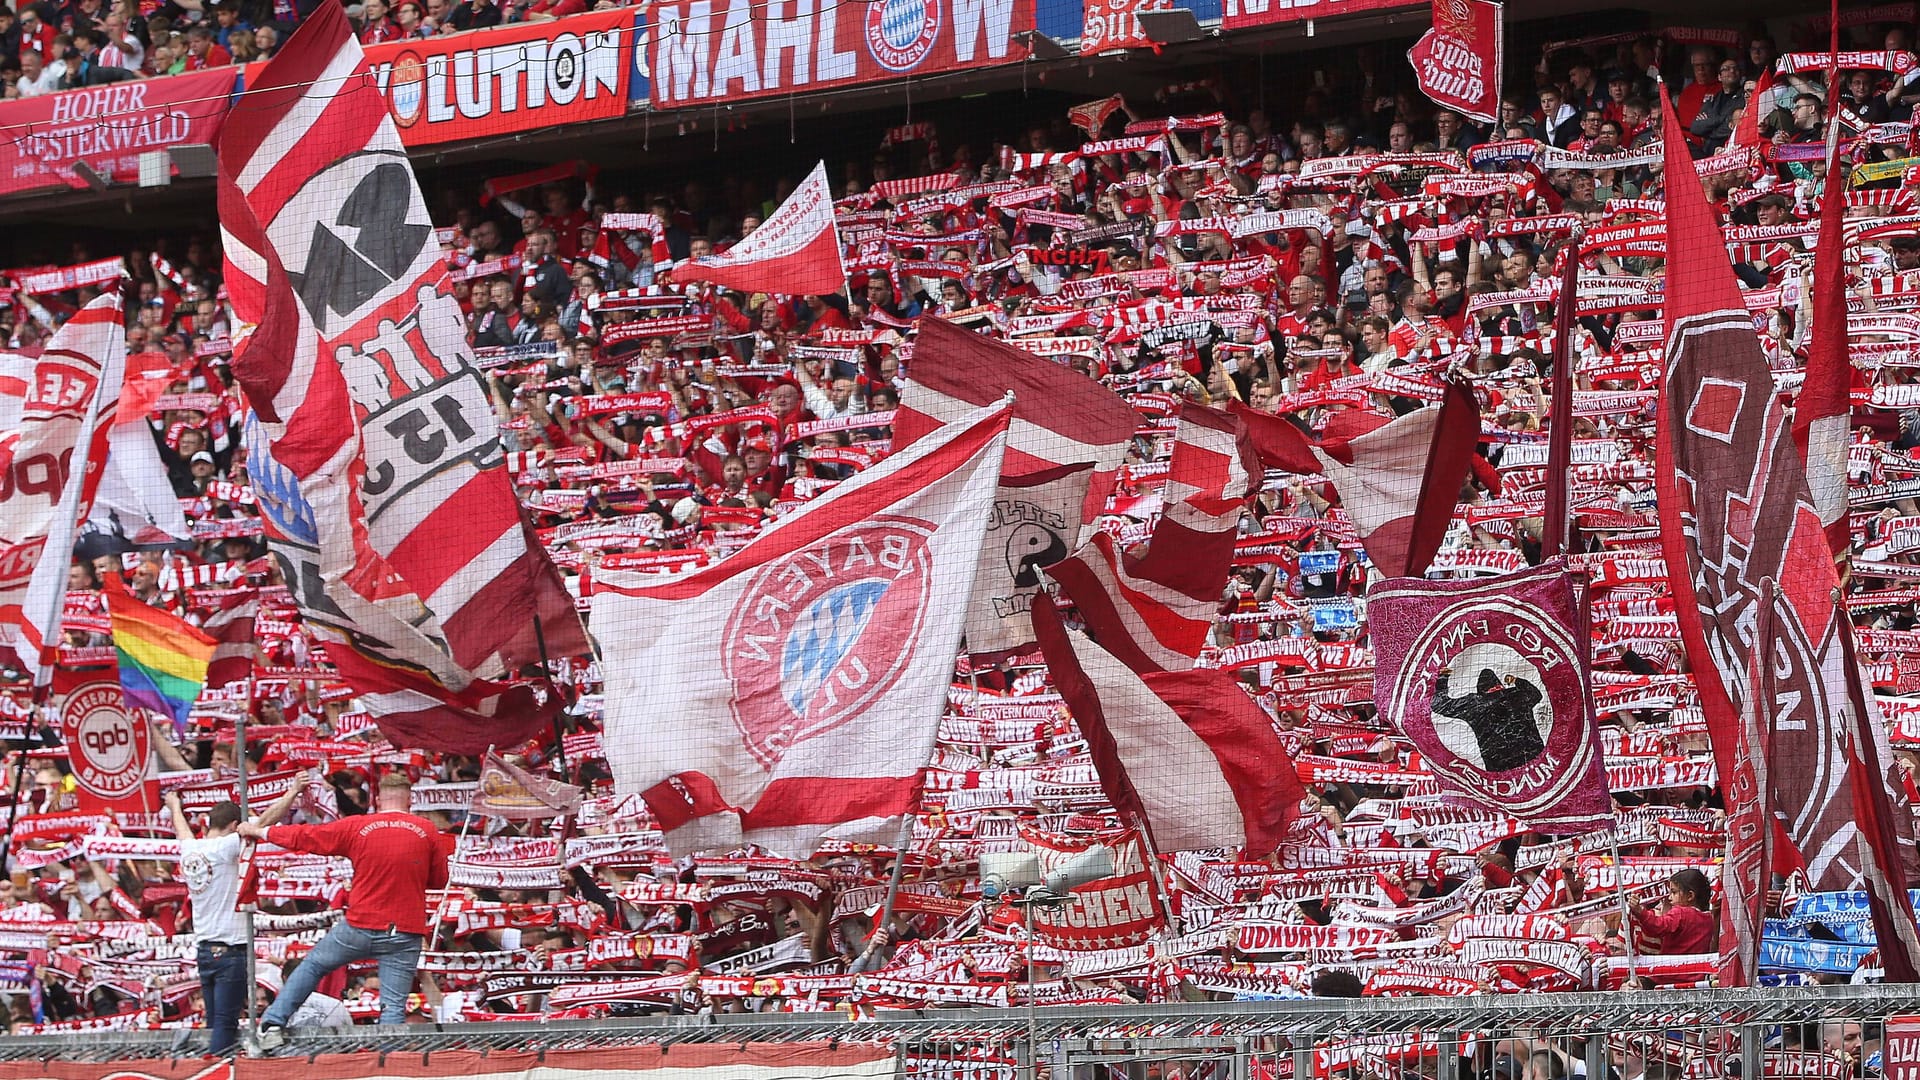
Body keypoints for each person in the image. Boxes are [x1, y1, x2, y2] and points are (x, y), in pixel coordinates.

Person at [240, 772, 447, 1048]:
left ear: (377, 799)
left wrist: (260, 831)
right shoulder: (427, 830)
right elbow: (439, 880)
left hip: (360, 924)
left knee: (312, 966)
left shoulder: (358, 826)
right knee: (393, 1007)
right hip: (404, 930)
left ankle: (272, 1025)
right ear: (410, 799)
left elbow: (306, 836)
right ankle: (387, 1065)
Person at [165, 776, 307, 1056]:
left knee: (215, 1021)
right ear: (233, 827)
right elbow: (263, 823)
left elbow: (182, 831)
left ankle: (212, 1067)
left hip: (204, 949)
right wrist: (292, 792)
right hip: (230, 951)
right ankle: (219, 1070)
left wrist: (174, 806)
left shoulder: (190, 849)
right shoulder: (223, 848)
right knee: (225, 1024)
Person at [1626, 868, 1716, 955]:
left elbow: (1658, 926)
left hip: (1673, 968)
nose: (1669, 898)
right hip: (1698, 967)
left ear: (1690, 896)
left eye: (1674, 892)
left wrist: (1640, 911)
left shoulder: (1681, 913)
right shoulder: (1709, 918)